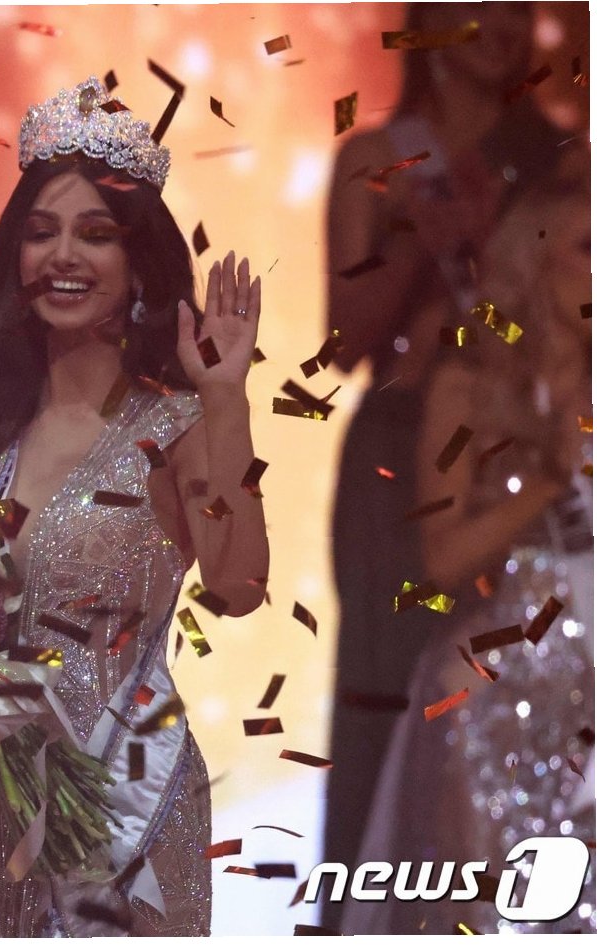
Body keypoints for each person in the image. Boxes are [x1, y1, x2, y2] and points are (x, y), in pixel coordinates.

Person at [0, 76, 270, 936]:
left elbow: (239, 583)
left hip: (128, 801)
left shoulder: (175, 425)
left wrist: (226, 397)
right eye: (41, 233)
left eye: (95, 234)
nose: (63, 255)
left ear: (138, 261)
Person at [321, 4, 575, 918]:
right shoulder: (378, 157)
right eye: (480, 2)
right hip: (403, 458)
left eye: (521, 6)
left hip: (533, 442)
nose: (503, 23)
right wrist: (423, 238)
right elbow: (342, 344)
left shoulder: (558, 155)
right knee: (387, 697)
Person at [342, 180, 593, 934]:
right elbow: (443, 558)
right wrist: (549, 476)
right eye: (585, 248)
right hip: (525, 646)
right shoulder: (470, 387)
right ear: (532, 262)